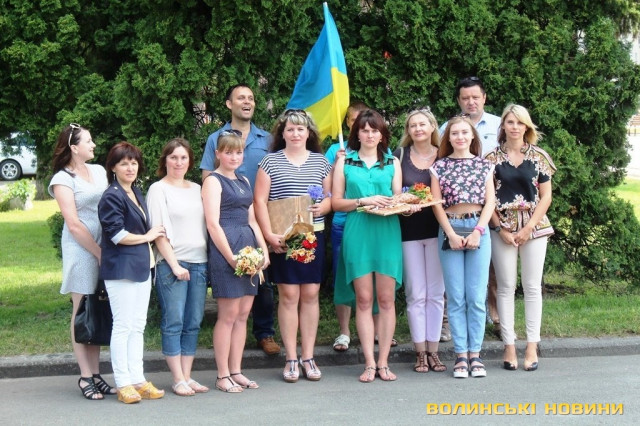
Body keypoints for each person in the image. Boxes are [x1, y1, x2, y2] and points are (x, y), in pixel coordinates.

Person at [200, 84, 279, 356]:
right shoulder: (215, 139)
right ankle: (227, 366)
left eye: (251, 98)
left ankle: (265, 333)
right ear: (229, 104)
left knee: (262, 285)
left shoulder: (267, 139)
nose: (247, 102)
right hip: (227, 222)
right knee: (232, 306)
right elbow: (207, 177)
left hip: (257, 215)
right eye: (241, 98)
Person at [254, 109, 332, 383]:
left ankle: (308, 357)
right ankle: (290, 358)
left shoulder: (321, 162)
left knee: (310, 294)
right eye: (290, 129)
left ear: (308, 133)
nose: (295, 133)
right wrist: (268, 234)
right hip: (284, 237)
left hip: (312, 235)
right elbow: (260, 201)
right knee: (288, 296)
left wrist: (325, 206)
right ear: (282, 133)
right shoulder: (270, 162)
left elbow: (330, 197)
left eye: (300, 129)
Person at [332, 109, 403, 383]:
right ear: (357, 134)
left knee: (386, 300)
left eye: (375, 130)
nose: (370, 135)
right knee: (363, 300)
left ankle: (384, 361)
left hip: (386, 231)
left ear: (382, 134)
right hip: (358, 231)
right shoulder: (345, 161)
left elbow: (398, 198)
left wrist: (406, 206)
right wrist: (363, 201)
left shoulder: (393, 162)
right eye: (365, 130)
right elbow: (336, 203)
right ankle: (369, 363)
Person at [485, 104, 556, 372]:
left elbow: (546, 196)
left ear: (527, 126)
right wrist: (499, 228)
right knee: (505, 286)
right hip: (502, 227)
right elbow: (487, 198)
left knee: (532, 286)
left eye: (519, 122)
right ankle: (509, 345)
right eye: (510, 122)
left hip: (534, 227)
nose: (514, 127)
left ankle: (532, 346)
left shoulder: (539, 156)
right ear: (502, 125)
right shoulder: (491, 159)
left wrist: (528, 229)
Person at [49, 123, 115, 400]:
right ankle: (85, 375)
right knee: (82, 310)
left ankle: (97, 374)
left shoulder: (98, 171)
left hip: (103, 245)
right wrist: (98, 252)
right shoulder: (62, 179)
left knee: (96, 308)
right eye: (88, 141)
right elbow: (74, 224)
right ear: (74, 147)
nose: (94, 145)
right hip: (81, 249)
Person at [203, 131, 270, 393]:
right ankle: (222, 375)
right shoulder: (213, 181)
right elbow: (212, 223)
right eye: (228, 152)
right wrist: (230, 257)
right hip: (226, 249)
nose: (234, 157)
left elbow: (252, 219)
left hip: (248, 246)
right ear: (218, 154)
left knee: (243, 314)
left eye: (238, 152)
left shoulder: (244, 180)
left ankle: (236, 370)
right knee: (228, 315)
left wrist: (263, 251)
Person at [98, 142, 166, 404]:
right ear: (113, 167)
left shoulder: (135, 191)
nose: (130, 167)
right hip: (121, 269)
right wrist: (148, 236)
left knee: (138, 325)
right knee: (123, 325)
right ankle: (123, 383)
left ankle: (138, 379)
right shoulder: (112, 196)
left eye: (134, 163)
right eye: (124, 163)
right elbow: (116, 235)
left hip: (141, 267)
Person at [430, 115, 495, 379]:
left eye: (464, 133)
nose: (460, 137)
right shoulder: (439, 166)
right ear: (448, 138)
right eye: (454, 133)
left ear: (472, 136)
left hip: (478, 229)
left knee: (476, 297)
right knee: (456, 297)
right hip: (451, 228)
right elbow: (436, 203)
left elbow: (490, 202)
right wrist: (450, 233)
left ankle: (475, 355)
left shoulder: (484, 165)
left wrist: (479, 231)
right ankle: (460, 355)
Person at [439, 76, 503, 340]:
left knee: (491, 272)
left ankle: (496, 318)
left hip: (490, 205)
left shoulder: (498, 125)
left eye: (475, 97)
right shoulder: (447, 128)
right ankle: (449, 327)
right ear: (458, 100)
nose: (471, 102)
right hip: (454, 212)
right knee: (455, 284)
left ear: (484, 98)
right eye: (465, 98)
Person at [146, 138, 209, 396]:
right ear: (165, 160)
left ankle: (187, 376)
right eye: (173, 157)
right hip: (173, 263)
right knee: (174, 320)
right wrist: (173, 265)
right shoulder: (158, 189)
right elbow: (158, 232)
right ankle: (177, 379)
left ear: (190, 161)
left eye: (183, 157)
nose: (178, 162)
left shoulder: (197, 189)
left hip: (199, 263)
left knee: (193, 321)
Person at [393, 108, 446, 373]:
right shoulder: (399, 155)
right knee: (416, 294)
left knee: (436, 294)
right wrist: (405, 204)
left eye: (422, 124)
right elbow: (394, 193)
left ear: (432, 126)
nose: (418, 129)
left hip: (438, 231)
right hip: (409, 232)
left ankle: (434, 351)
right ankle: (420, 352)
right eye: (413, 125)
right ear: (408, 130)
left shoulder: (444, 155)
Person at [324, 100, 367, 352]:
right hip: (344, 223)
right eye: (353, 120)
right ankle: (344, 331)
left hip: (373, 223)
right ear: (348, 123)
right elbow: (326, 187)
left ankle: (373, 329)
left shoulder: (379, 150)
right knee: (344, 277)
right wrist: (335, 164)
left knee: (373, 276)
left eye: (363, 119)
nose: (359, 125)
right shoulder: (335, 150)